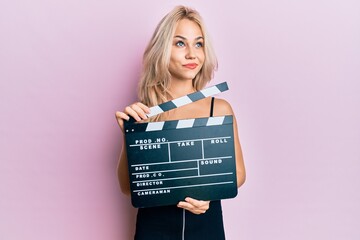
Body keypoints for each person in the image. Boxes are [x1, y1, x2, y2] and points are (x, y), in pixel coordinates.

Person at [115, 5, 246, 240]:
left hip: (207, 224)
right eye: (180, 43)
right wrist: (130, 133)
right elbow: (127, 187)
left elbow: (238, 173)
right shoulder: (145, 112)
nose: (191, 54)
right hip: (154, 227)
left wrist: (209, 193)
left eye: (198, 44)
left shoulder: (219, 109)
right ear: (163, 50)